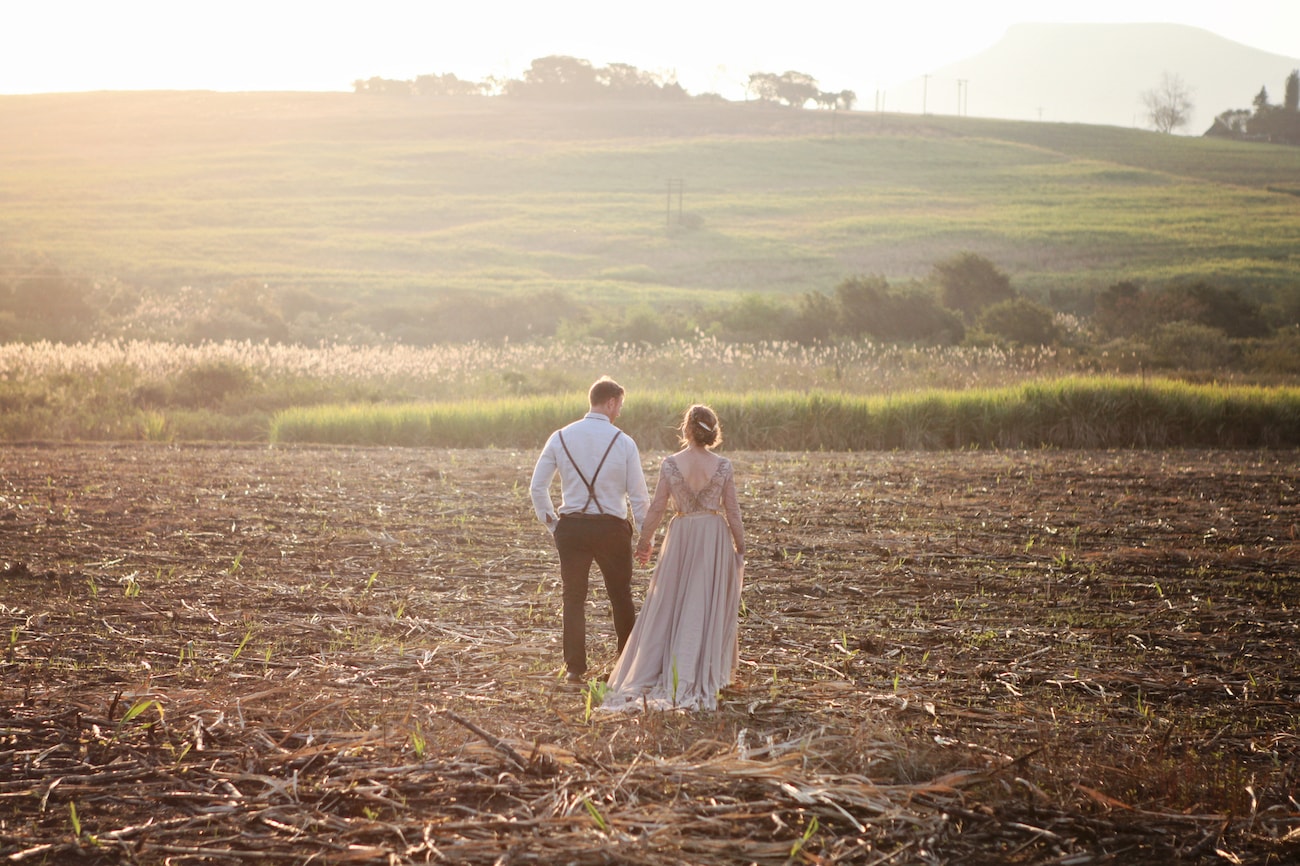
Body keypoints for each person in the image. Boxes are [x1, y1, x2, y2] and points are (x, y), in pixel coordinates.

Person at [599, 404, 745, 712]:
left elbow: (657, 507)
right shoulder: (723, 465)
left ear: (687, 429)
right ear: (713, 432)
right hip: (713, 535)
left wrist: (644, 540)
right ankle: (696, 665)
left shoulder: (670, 464)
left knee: (673, 599)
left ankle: (671, 665)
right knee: (704, 600)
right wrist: (740, 545)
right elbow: (732, 510)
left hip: (681, 535)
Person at [530, 377, 650, 684]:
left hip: (572, 529)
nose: (619, 413)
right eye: (619, 406)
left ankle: (575, 668)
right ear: (610, 403)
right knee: (620, 596)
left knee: (573, 598)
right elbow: (638, 496)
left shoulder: (560, 437)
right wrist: (646, 538)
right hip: (612, 529)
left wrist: (553, 525)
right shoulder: (623, 442)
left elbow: (537, 487)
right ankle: (625, 665)